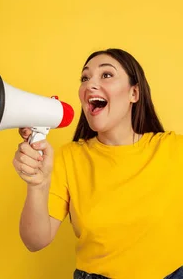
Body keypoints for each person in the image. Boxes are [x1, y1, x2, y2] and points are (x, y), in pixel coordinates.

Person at [13, 48, 183, 279]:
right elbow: (35, 241)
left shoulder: (173, 149)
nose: (89, 85)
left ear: (134, 93)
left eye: (106, 75)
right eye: (85, 78)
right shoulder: (67, 158)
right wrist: (37, 185)